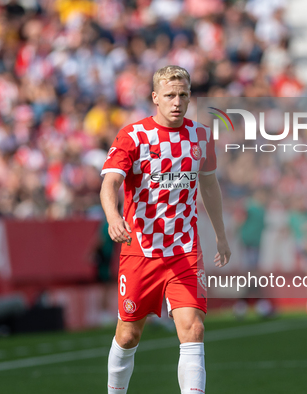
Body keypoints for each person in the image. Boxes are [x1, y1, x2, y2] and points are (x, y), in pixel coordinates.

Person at [99, 65, 231, 394]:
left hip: (184, 251)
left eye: (183, 95)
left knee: (193, 329)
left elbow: (209, 186)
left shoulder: (201, 136)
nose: (177, 102)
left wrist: (221, 234)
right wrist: (113, 217)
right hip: (141, 251)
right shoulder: (133, 135)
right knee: (129, 334)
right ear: (155, 98)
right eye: (170, 95)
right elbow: (110, 183)